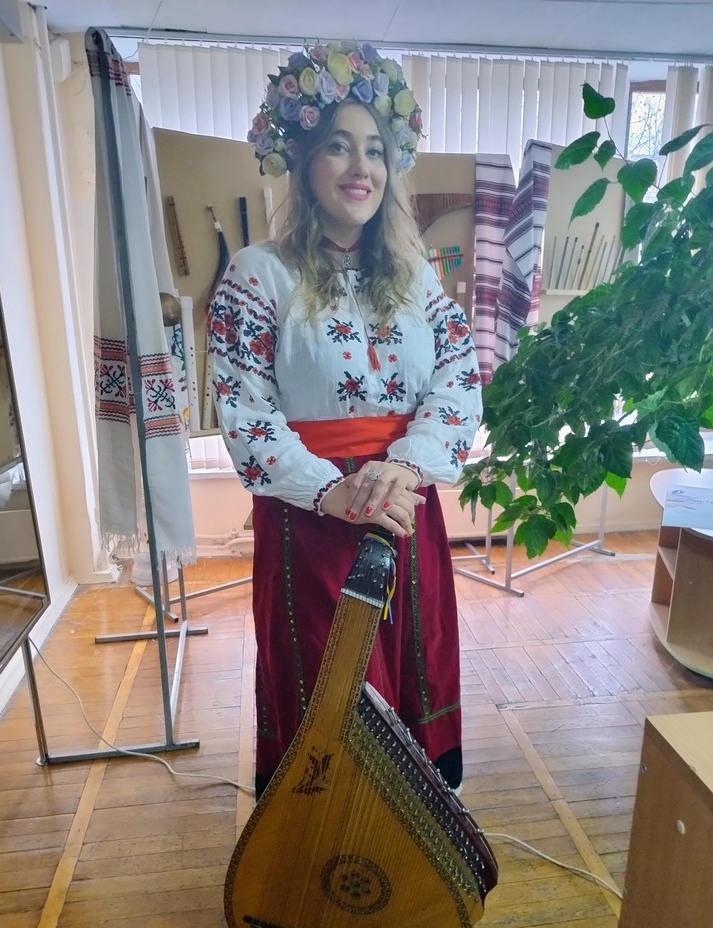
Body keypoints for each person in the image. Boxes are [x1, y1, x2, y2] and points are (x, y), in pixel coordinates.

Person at [208, 42, 483, 800]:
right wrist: (333, 491)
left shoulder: (416, 276)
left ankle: (413, 844)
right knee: (330, 693)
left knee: (414, 675)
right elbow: (245, 411)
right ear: (302, 160)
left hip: (402, 507)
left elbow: (459, 378)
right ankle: (325, 851)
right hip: (312, 520)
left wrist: (404, 467)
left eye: (375, 149)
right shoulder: (259, 275)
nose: (361, 167)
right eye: (338, 146)